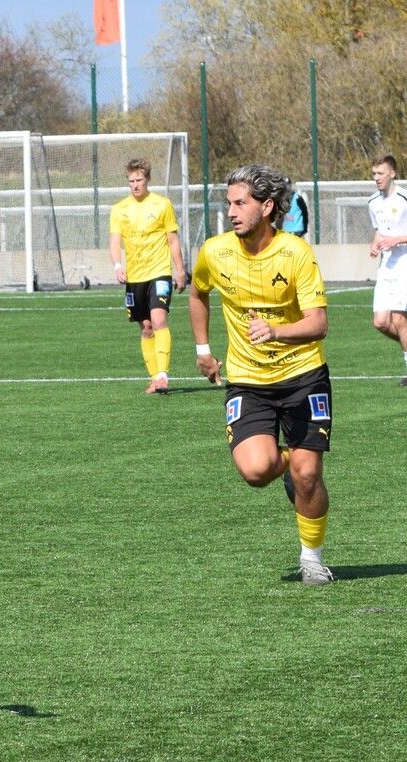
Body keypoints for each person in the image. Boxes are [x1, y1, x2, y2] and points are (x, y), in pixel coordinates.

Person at [189, 165, 333, 586]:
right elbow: (198, 293)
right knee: (255, 471)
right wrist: (203, 351)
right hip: (248, 381)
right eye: (228, 203)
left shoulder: (296, 253)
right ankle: (289, 461)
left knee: (309, 475)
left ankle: (311, 560)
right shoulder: (214, 251)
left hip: (304, 376)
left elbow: (318, 323)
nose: (231, 212)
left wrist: (276, 331)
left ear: (267, 207)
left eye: (240, 203)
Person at [110, 157, 189, 394]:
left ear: (148, 179)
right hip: (134, 277)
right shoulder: (119, 209)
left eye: (139, 180)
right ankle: (154, 379)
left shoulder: (162, 205)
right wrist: (117, 265)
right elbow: (115, 241)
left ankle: (163, 376)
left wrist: (180, 270)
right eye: (131, 181)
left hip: (159, 272)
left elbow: (172, 240)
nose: (135, 185)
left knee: (159, 321)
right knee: (145, 328)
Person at [366, 154, 407, 385]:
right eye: (374, 174)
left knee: (399, 319)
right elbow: (379, 231)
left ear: (392, 173)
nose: (376, 178)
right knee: (380, 322)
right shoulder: (373, 202)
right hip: (386, 268)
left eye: (380, 173)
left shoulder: (404, 199)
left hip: (404, 266)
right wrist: (375, 244)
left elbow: (395, 235)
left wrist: (397, 239)